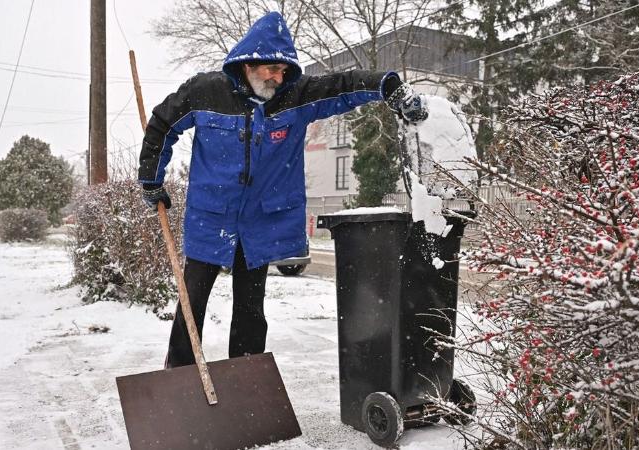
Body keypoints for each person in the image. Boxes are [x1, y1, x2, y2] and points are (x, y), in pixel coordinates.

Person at [139, 11, 429, 368]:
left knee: (250, 307)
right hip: (211, 215)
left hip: (259, 221)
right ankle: (178, 375)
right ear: (250, 63)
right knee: (191, 300)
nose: (279, 77)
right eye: (273, 70)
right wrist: (151, 180)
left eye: (284, 70)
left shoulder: (294, 96)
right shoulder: (205, 92)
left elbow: (343, 86)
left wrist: (388, 88)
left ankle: (246, 378)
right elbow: (161, 125)